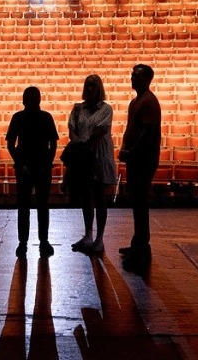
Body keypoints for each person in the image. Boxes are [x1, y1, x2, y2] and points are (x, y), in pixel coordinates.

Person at [5, 86, 60, 258]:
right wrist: (45, 163)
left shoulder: (20, 117)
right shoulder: (44, 117)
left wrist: (21, 163)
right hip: (36, 166)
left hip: (32, 166)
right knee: (37, 206)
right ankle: (37, 242)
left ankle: (27, 243)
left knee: (28, 206)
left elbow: (11, 144)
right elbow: (53, 144)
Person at [118, 64, 162, 266]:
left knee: (140, 202)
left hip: (143, 159)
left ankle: (142, 247)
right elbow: (132, 129)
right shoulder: (135, 102)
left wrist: (131, 151)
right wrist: (124, 147)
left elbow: (147, 133)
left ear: (146, 79)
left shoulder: (149, 102)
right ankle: (138, 243)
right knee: (136, 202)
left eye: (136, 75)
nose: (132, 78)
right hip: (135, 158)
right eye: (132, 75)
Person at [67, 74, 115, 257]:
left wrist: (82, 142)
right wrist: (78, 143)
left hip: (99, 156)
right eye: (87, 85)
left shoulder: (106, 109)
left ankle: (99, 238)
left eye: (93, 86)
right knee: (86, 196)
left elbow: (100, 130)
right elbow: (72, 128)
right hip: (83, 156)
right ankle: (88, 235)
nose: (89, 89)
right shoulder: (78, 108)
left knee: (100, 197)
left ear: (99, 88)